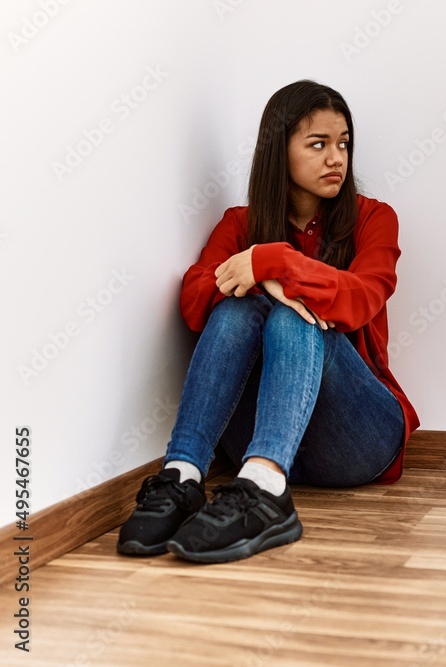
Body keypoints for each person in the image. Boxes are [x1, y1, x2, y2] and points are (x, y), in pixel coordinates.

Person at [116, 80, 418, 564]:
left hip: (358, 436)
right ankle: (185, 475)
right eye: (318, 144)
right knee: (236, 307)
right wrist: (264, 282)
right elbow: (194, 301)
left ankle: (266, 491)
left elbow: (362, 298)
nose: (336, 158)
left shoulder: (374, 218)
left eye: (343, 144)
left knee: (295, 318)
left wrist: (272, 263)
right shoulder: (239, 223)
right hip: (253, 440)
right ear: (279, 152)